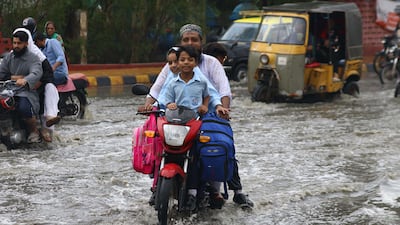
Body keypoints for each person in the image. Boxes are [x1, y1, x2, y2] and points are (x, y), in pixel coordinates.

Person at [143, 24, 254, 208]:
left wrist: (222, 111)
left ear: (201, 43)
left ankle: (235, 190)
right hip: (178, 118)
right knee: (157, 139)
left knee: (221, 143)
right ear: (180, 45)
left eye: (194, 39)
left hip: (206, 117)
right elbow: (158, 90)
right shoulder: (174, 66)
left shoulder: (208, 67)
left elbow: (221, 91)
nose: (190, 43)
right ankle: (158, 186)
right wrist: (149, 106)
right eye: (186, 40)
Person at [0, 31, 43, 143]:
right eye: (14, 43)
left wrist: (25, 80)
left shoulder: (33, 58)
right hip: (8, 90)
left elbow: (36, 72)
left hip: (25, 91)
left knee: (24, 108)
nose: (16, 46)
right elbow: (2, 72)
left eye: (19, 43)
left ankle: (34, 131)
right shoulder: (9, 57)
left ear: (26, 44)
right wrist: (12, 77)